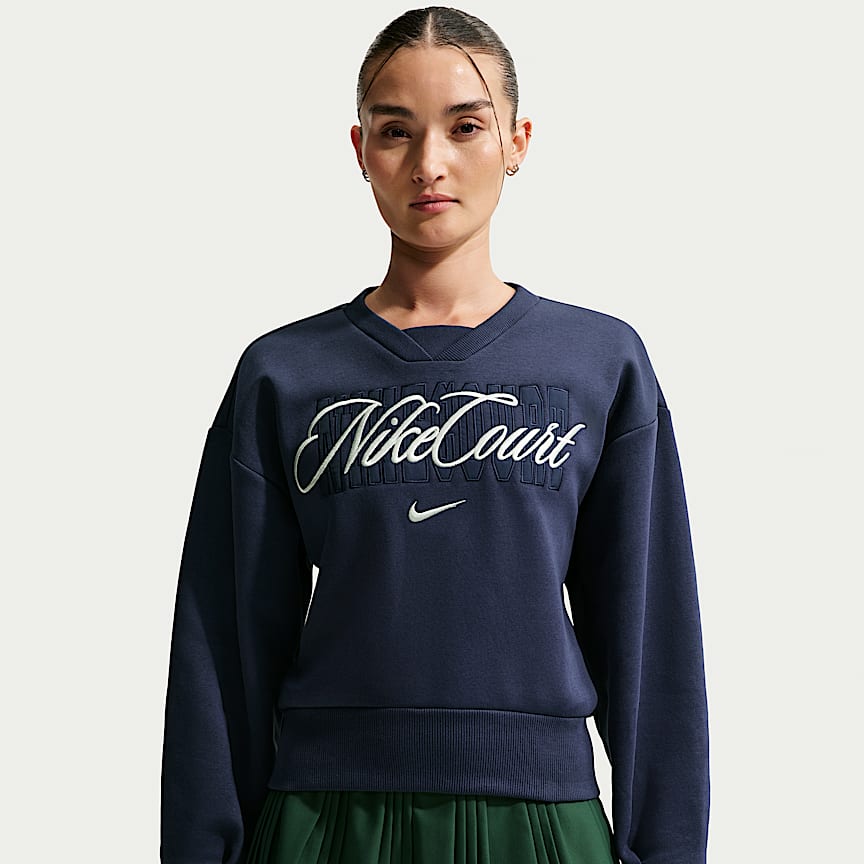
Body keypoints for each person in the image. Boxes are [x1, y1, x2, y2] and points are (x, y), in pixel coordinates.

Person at [159, 7, 709, 864]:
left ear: (518, 141)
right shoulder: (284, 374)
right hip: (322, 824)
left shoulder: (599, 365)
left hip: (542, 823)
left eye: (465, 126)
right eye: (395, 131)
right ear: (359, 150)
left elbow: (651, 640)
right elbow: (221, 649)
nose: (429, 163)